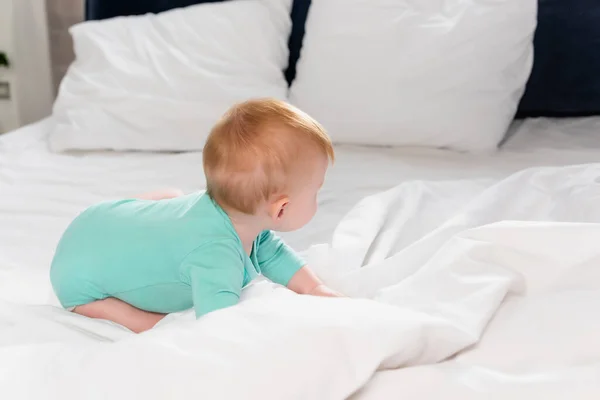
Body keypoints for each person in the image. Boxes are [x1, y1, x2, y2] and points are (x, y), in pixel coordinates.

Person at [50, 98, 343, 333]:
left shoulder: (240, 220)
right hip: (76, 278)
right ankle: (86, 306)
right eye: (316, 190)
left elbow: (274, 255)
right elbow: (218, 328)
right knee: (156, 326)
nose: (319, 195)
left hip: (99, 220)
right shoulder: (216, 258)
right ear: (280, 209)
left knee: (173, 200)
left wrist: (314, 289)